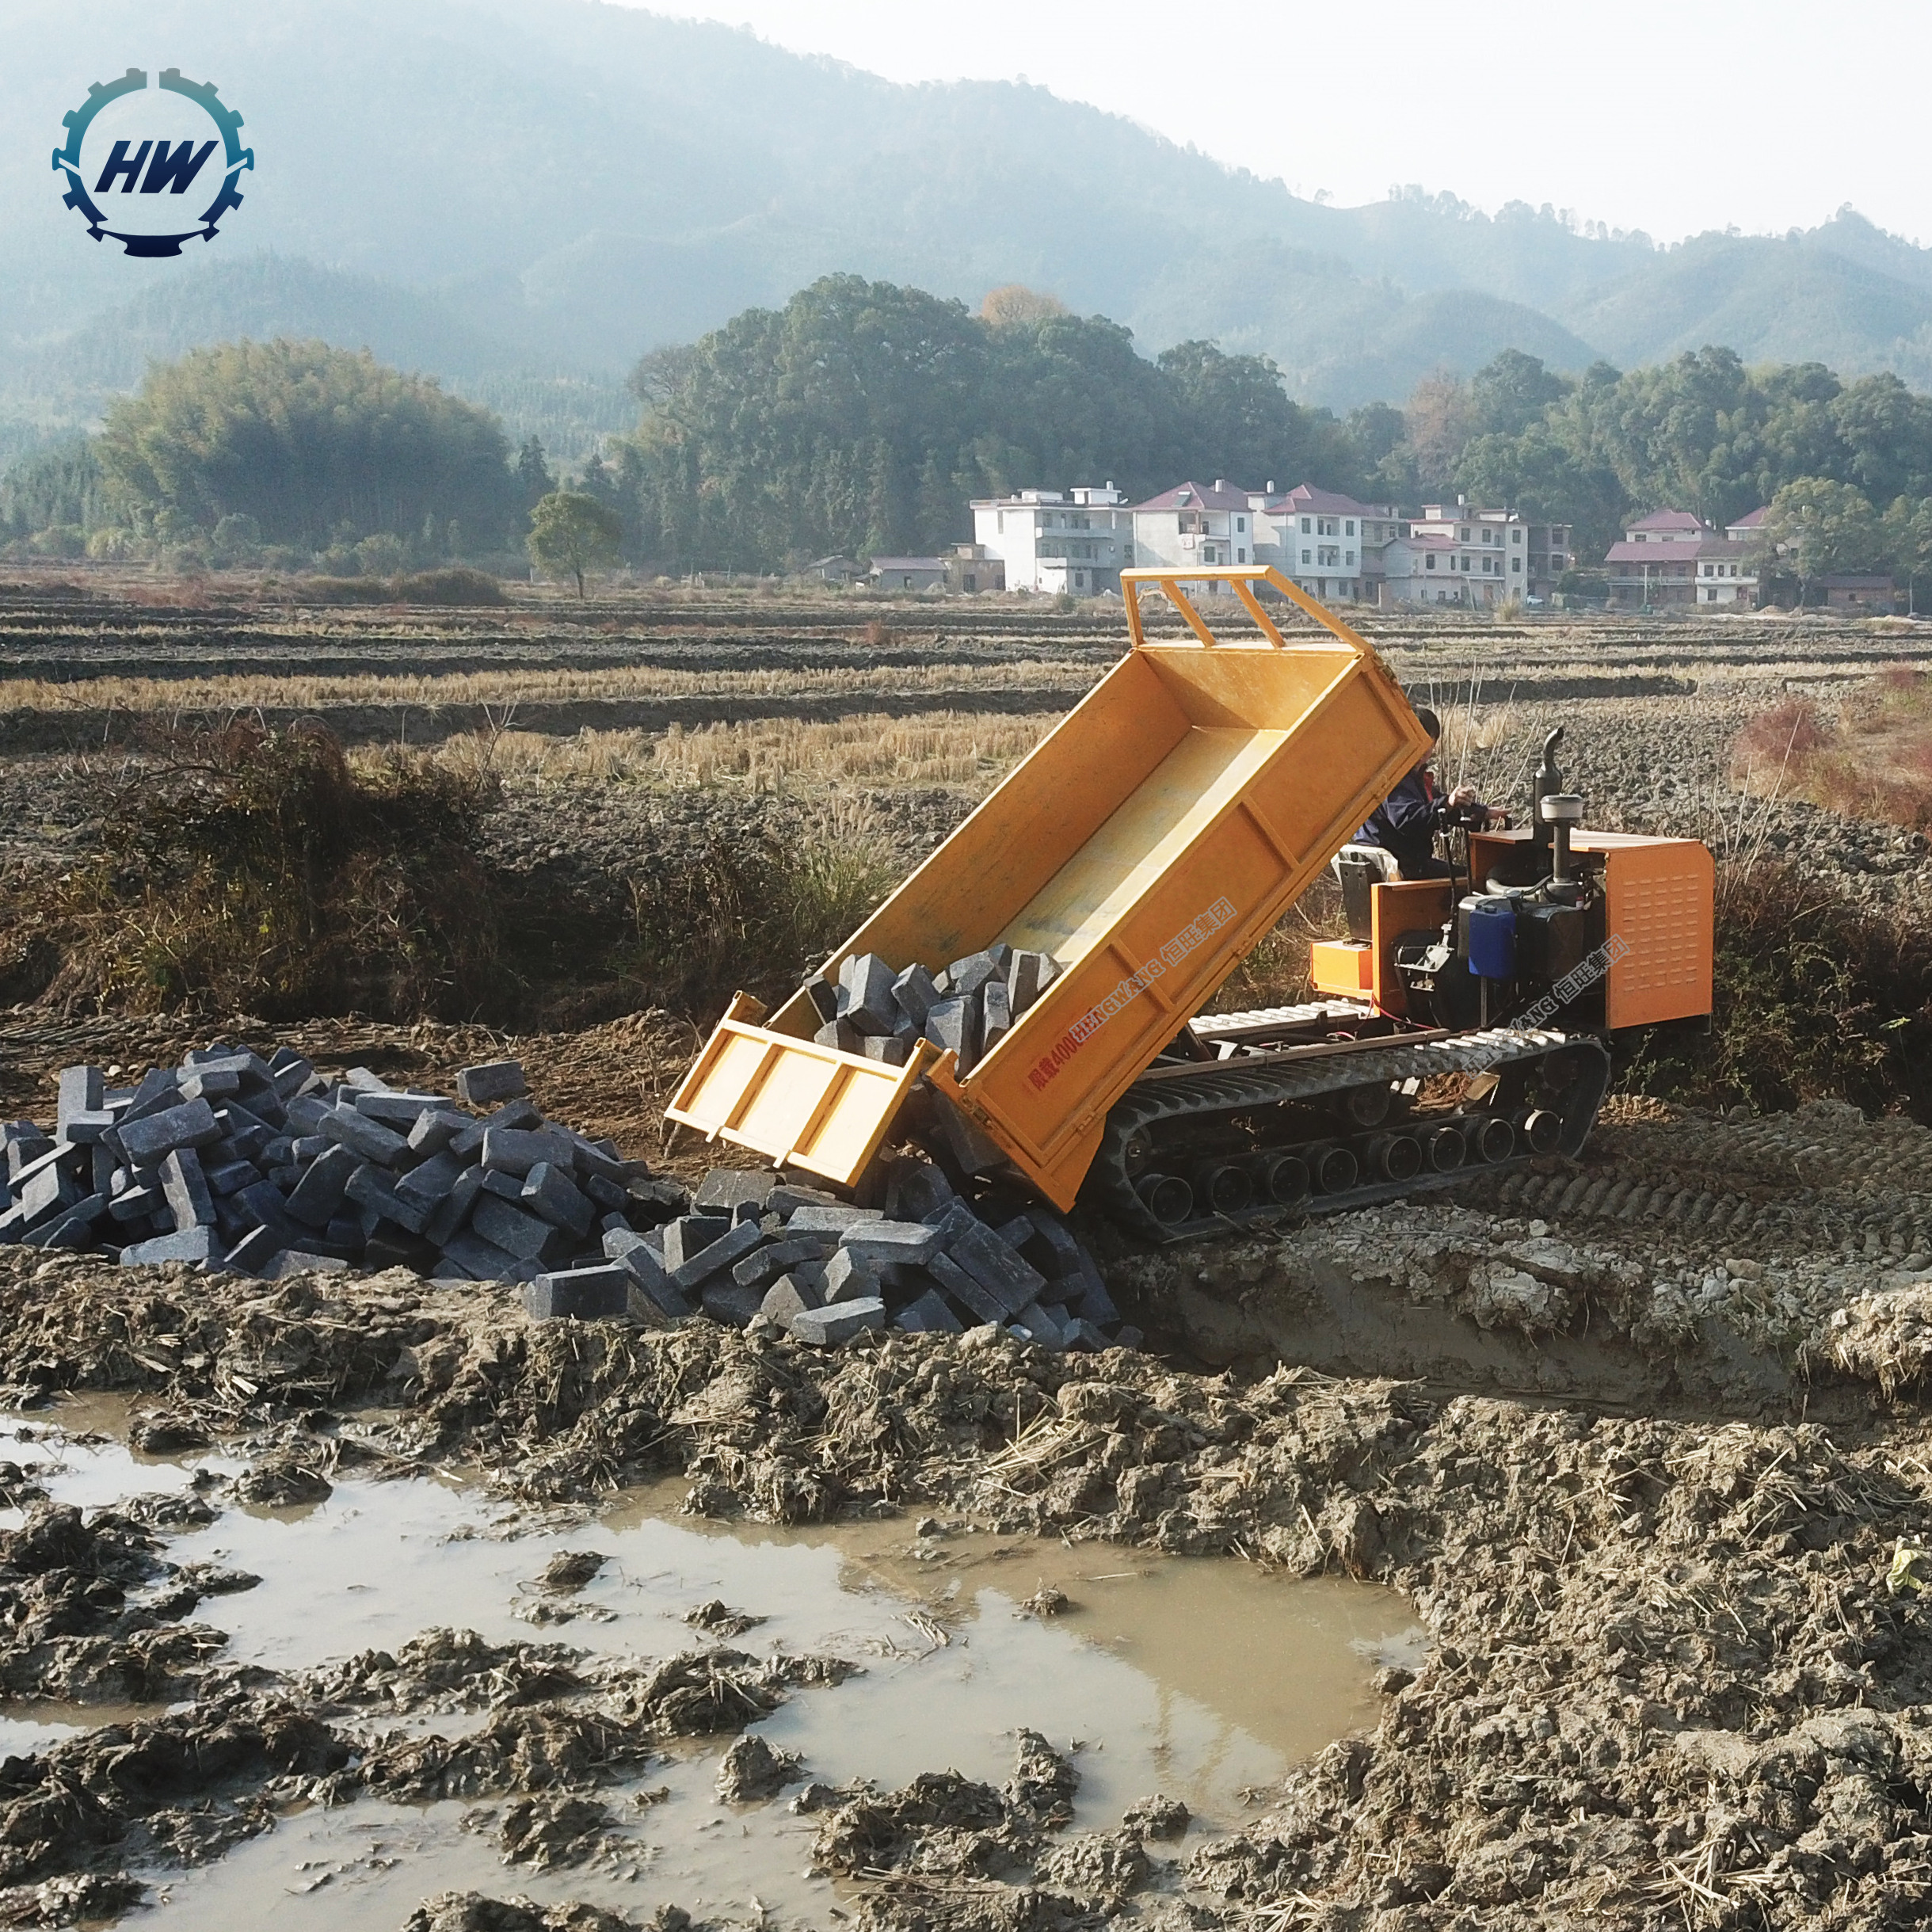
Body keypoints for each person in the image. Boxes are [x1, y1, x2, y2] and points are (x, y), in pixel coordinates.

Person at [1351, 707, 1505, 879]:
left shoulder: (1414, 778)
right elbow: (1408, 820)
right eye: (1421, 742)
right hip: (1403, 865)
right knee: (1476, 880)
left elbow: (1437, 805)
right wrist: (1448, 803)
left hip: (1408, 862)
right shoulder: (1394, 778)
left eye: (1429, 744)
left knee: (1468, 875)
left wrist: (1483, 813)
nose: (1425, 750)